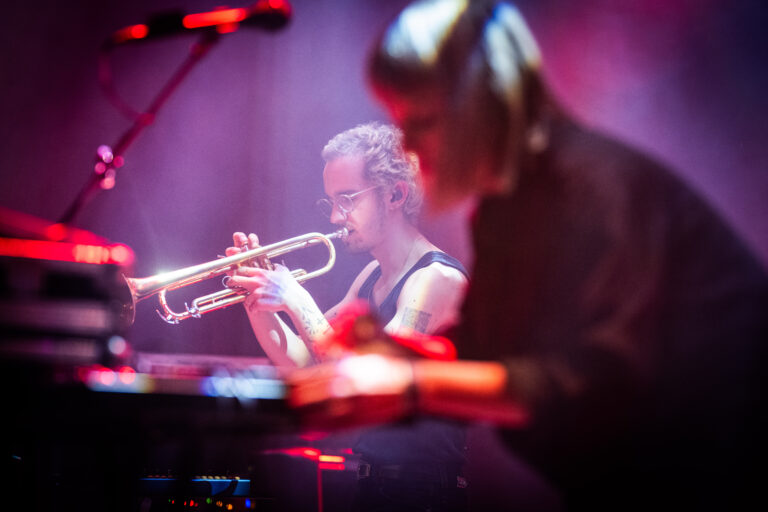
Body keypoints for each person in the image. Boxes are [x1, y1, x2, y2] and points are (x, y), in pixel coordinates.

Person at [287, 1, 768, 511]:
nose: (407, 144)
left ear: (482, 103)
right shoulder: (504, 208)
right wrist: (390, 351)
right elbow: (482, 350)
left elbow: (592, 385)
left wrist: (411, 383)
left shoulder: (598, 193)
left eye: (422, 120)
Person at [226, 121, 471, 511]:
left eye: (348, 199)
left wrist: (295, 298)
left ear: (395, 194)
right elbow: (307, 361)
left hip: (425, 494)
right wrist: (257, 298)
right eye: (331, 203)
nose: (336, 218)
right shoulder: (371, 276)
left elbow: (370, 377)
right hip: (376, 482)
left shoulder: (435, 278)